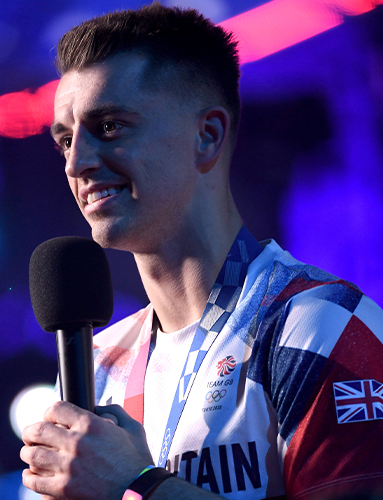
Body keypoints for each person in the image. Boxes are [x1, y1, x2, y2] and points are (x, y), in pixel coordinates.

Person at [20, 3, 383, 500]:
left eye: (109, 127)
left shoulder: (321, 326)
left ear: (207, 136)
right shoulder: (99, 364)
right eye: (65, 140)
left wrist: (140, 484)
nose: (77, 162)